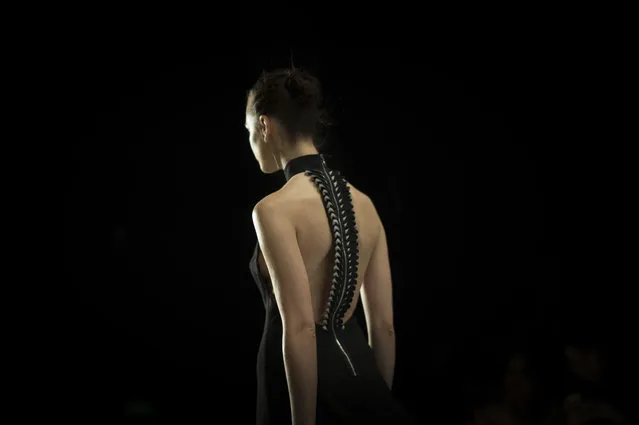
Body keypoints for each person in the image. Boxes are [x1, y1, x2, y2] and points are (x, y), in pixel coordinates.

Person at [246, 67, 417, 425]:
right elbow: (384, 325)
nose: (250, 140)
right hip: (364, 382)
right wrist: (378, 403)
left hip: (299, 388)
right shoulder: (365, 204)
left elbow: (300, 327)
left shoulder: (272, 210)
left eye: (248, 131)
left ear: (264, 125)